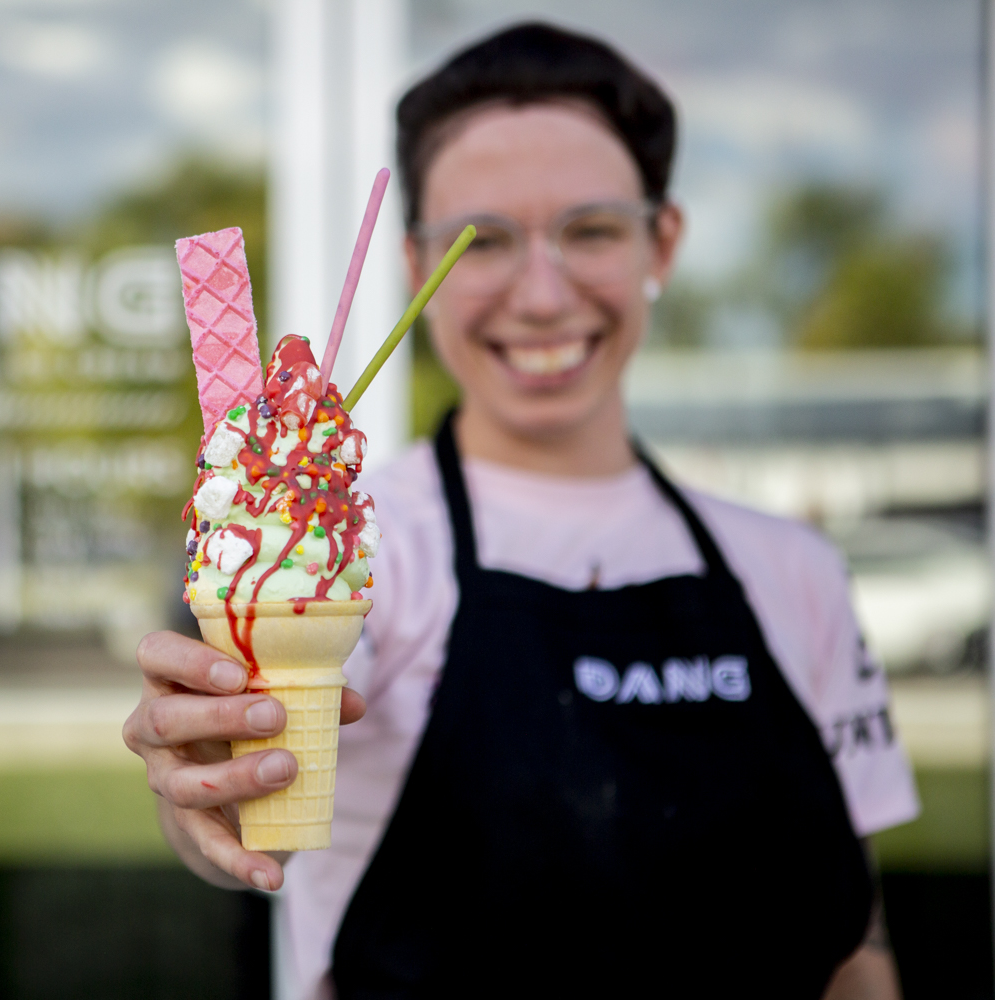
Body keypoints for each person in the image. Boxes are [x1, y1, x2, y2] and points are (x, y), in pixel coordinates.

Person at [124, 22, 918, 999]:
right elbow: (243, 782)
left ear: (659, 242)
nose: (542, 296)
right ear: (418, 266)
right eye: (484, 241)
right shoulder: (338, 541)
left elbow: (855, 948)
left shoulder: (794, 571)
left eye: (589, 230)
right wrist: (207, 777)